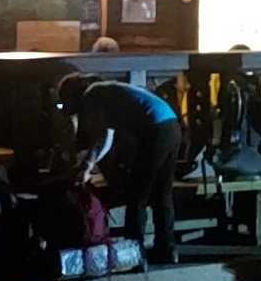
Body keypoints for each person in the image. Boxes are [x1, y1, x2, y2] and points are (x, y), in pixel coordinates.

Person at [58, 73, 181, 265]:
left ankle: (133, 252)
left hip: (154, 129)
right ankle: (167, 249)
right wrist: (90, 164)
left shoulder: (92, 95)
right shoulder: (107, 89)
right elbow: (109, 137)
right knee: (162, 194)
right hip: (171, 125)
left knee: (137, 195)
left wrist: (86, 167)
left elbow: (101, 137)